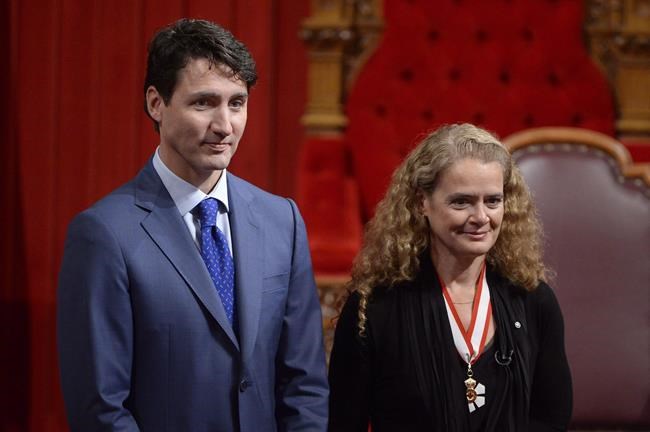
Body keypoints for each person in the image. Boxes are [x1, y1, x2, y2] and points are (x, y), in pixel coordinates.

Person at [57, 18, 328, 432]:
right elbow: (101, 408)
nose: (225, 126)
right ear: (156, 103)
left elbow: (304, 385)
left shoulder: (283, 221)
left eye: (237, 103)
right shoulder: (103, 234)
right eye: (204, 103)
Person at [328, 123, 572, 431]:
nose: (481, 217)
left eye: (493, 201)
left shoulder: (534, 299)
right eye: (462, 201)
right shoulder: (372, 308)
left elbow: (550, 419)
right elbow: (342, 422)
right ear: (422, 203)